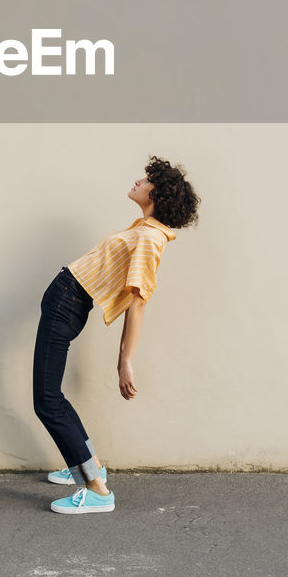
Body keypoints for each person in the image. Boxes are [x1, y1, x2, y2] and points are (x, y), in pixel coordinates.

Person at [32, 155, 200, 514]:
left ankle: (96, 490)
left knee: (45, 399)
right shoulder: (144, 228)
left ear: (159, 193)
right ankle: (85, 464)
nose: (139, 182)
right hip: (65, 301)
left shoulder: (149, 238)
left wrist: (124, 361)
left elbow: (138, 302)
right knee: (51, 395)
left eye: (146, 180)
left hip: (67, 304)